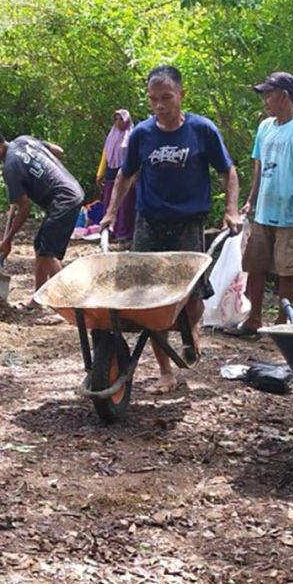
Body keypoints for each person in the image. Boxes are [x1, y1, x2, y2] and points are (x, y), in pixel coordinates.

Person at [100, 65, 241, 395]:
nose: (160, 106)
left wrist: (232, 210)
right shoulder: (142, 135)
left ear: (181, 95)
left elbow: (228, 171)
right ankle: (166, 371)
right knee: (150, 302)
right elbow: (126, 176)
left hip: (188, 224)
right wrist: (110, 213)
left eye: (166, 98)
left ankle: (191, 332)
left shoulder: (201, 130)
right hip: (149, 223)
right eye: (153, 99)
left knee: (192, 298)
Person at [239, 72, 293, 334]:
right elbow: (259, 168)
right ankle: (254, 317)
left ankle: (282, 323)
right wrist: (251, 200)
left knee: (288, 269)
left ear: (284, 96)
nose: (265, 100)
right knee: (255, 265)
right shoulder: (265, 127)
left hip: (290, 211)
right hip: (264, 210)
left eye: (269, 94)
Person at [0, 127, 84, 302]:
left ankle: (70, 303)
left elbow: (25, 209)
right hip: (72, 189)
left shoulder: (11, 166)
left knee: (48, 253)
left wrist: (8, 239)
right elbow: (58, 151)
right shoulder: (25, 140)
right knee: (40, 246)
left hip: (64, 199)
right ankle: (38, 298)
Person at [95, 109, 135, 243]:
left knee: (125, 204)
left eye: (121, 119)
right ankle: (109, 231)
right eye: (116, 119)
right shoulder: (111, 136)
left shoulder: (132, 136)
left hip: (126, 174)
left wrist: (134, 176)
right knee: (109, 202)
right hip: (111, 172)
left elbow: (135, 159)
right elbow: (105, 155)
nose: (118, 122)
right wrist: (100, 174)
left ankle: (123, 233)